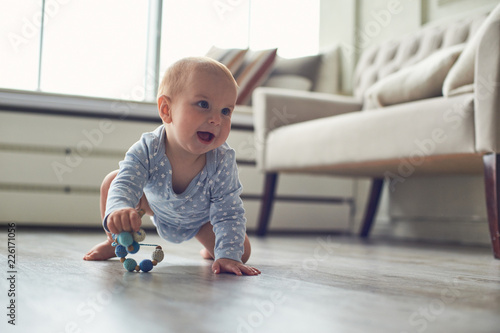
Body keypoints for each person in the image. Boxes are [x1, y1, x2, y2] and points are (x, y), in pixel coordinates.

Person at [84, 57, 260, 276]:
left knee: (240, 252)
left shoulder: (222, 160)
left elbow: (229, 211)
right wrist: (120, 208)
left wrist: (228, 255)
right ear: (166, 109)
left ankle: (211, 250)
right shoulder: (148, 149)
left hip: (202, 220)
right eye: (203, 104)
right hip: (153, 205)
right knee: (112, 180)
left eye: (226, 111)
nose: (216, 119)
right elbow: (127, 182)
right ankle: (115, 241)